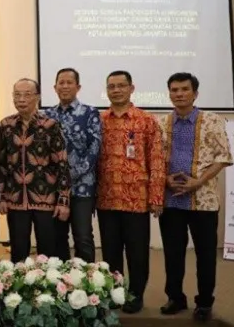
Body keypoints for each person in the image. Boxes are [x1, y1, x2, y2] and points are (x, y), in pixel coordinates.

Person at [157, 73, 233, 322]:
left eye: (184, 89)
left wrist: (197, 182)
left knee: (205, 253)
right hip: (171, 201)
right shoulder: (161, 123)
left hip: (204, 200)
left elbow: (223, 156)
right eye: (174, 90)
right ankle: (176, 298)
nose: (179, 94)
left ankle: (204, 303)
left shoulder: (212, 121)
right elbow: (156, 159)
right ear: (169, 94)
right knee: (173, 252)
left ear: (195, 93)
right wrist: (165, 178)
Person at [97, 70, 165, 313]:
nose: (116, 90)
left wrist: (157, 197)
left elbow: (156, 161)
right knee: (110, 252)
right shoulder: (100, 121)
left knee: (137, 253)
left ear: (131, 88)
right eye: (111, 86)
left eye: (121, 86)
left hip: (136, 199)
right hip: (106, 198)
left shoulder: (145, 121)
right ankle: (115, 293)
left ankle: (136, 294)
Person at [0, 78, 71, 263]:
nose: (21, 99)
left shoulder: (50, 125)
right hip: (15, 200)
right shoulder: (6, 125)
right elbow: (1, 164)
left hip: (46, 199)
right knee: (18, 252)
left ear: (37, 97)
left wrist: (63, 200)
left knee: (48, 253)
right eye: (17, 94)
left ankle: (49, 291)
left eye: (27, 95)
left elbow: (62, 163)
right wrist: (2, 197)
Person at [43, 68, 101, 262]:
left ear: (78, 87)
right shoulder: (47, 115)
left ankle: (86, 284)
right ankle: (60, 285)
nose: (65, 86)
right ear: (55, 87)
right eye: (61, 82)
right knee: (57, 237)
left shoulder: (90, 113)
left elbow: (94, 148)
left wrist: (70, 176)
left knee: (83, 236)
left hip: (82, 187)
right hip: (54, 189)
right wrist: (58, 180)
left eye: (69, 82)